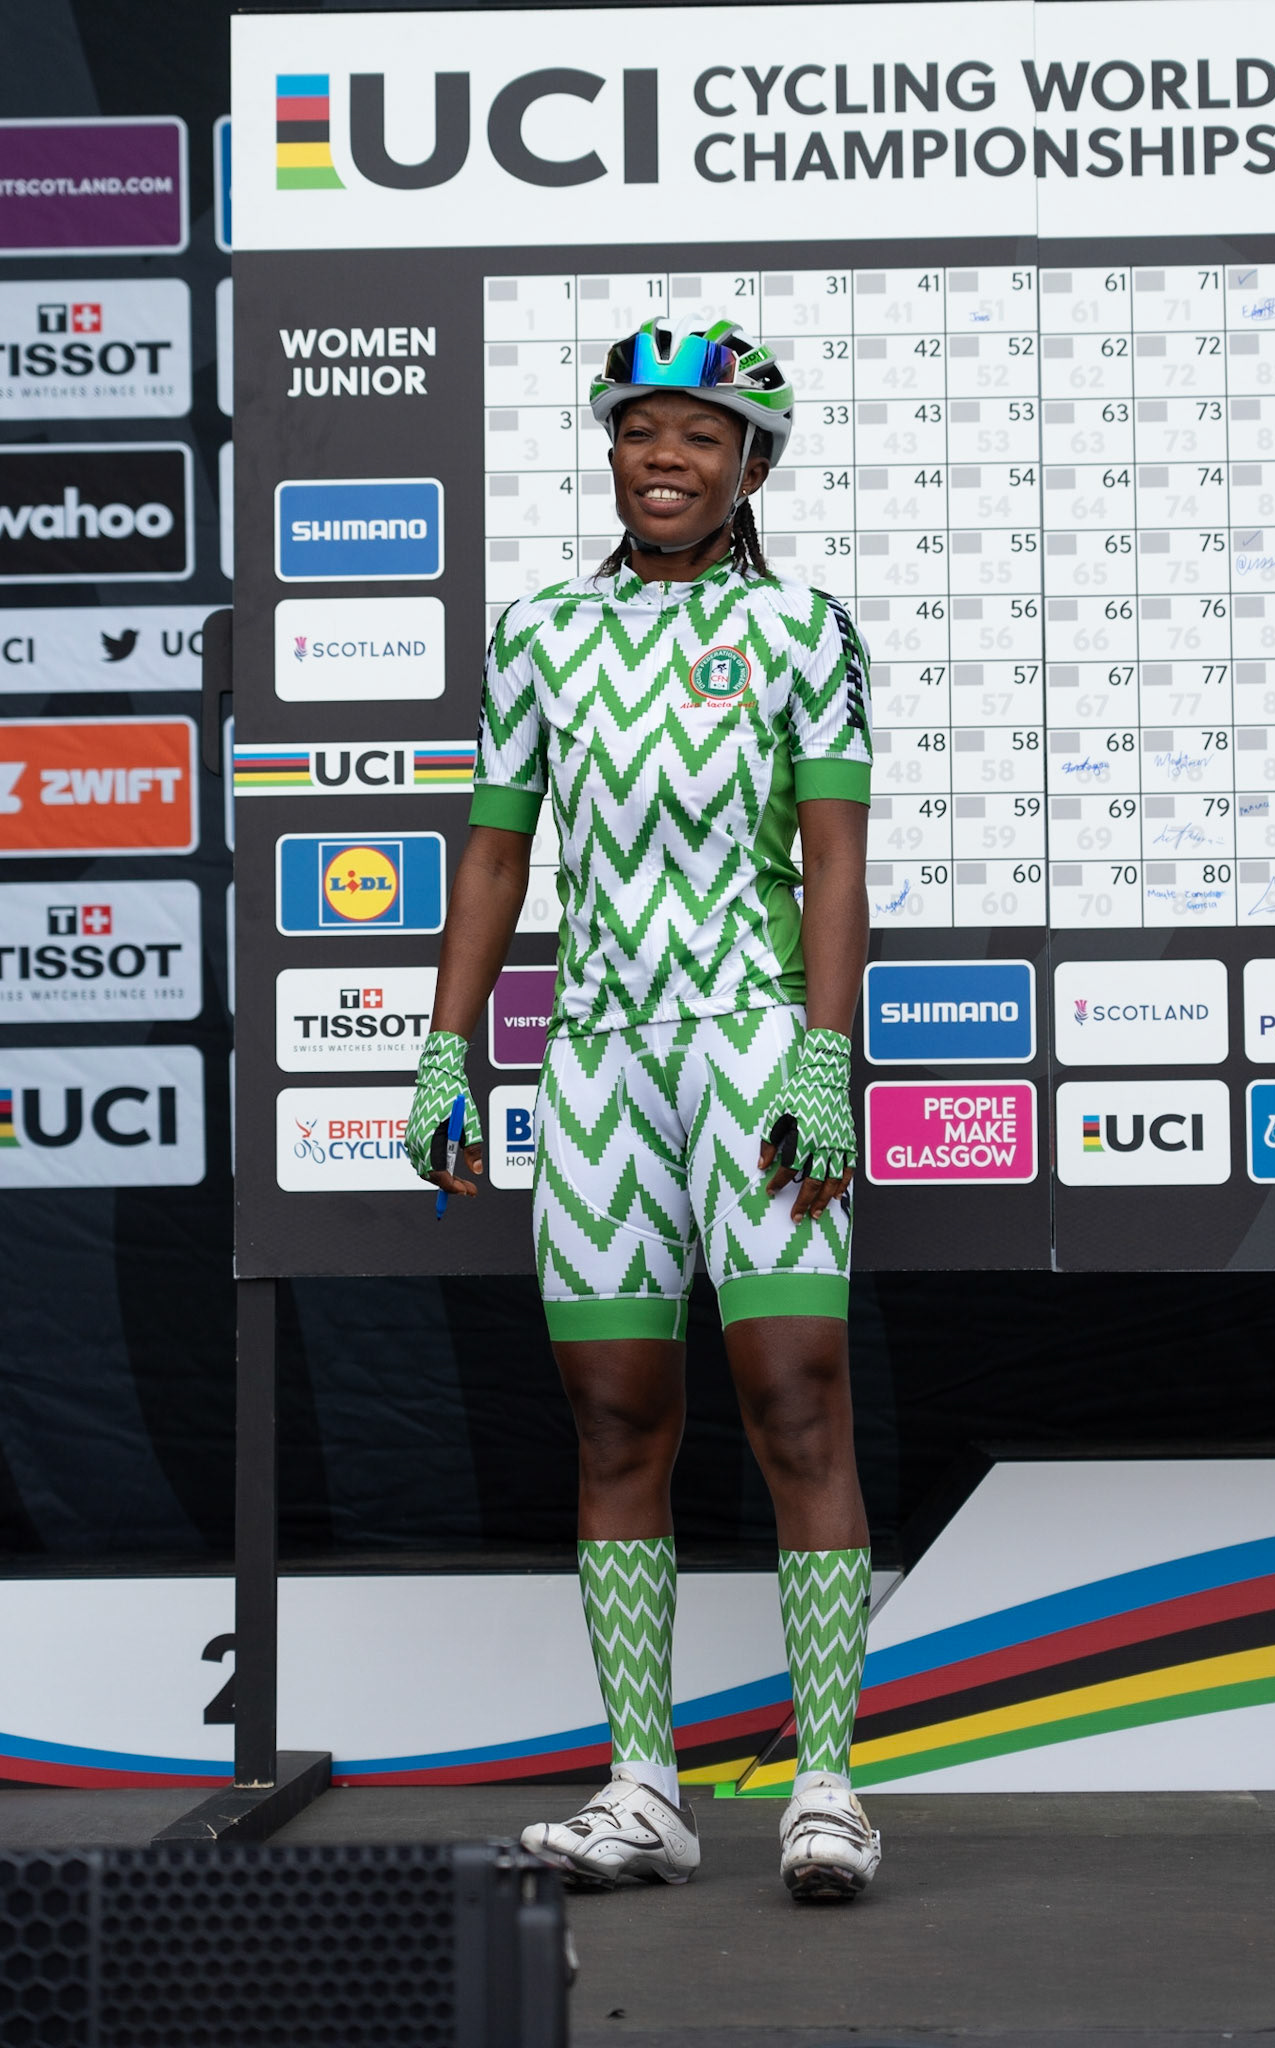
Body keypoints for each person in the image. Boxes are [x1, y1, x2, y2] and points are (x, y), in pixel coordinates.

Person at [404, 318, 878, 1900]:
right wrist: (445, 1046)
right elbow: (493, 854)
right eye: (637, 430)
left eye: (698, 434)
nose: (662, 457)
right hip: (597, 1058)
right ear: (609, 452)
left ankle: (825, 1787)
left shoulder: (806, 628)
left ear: (752, 464)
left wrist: (826, 1052)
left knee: (797, 1400)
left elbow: (832, 861)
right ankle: (643, 1790)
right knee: (615, 1420)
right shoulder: (539, 632)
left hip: (752, 1051)